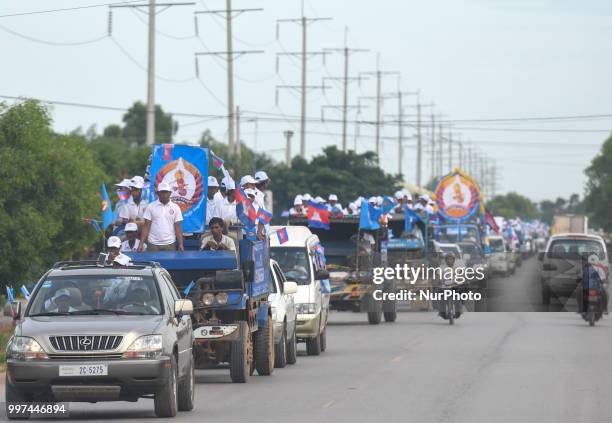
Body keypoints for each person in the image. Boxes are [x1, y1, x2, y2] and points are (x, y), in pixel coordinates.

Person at [139, 182, 184, 252]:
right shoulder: (150, 206)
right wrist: (141, 243)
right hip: (153, 244)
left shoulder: (176, 208)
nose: (164, 195)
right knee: (153, 263)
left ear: (170, 193)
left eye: (166, 192)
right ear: (158, 193)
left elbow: (178, 226)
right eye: (162, 192)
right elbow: (146, 226)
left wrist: (181, 244)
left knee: (169, 263)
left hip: (170, 243)